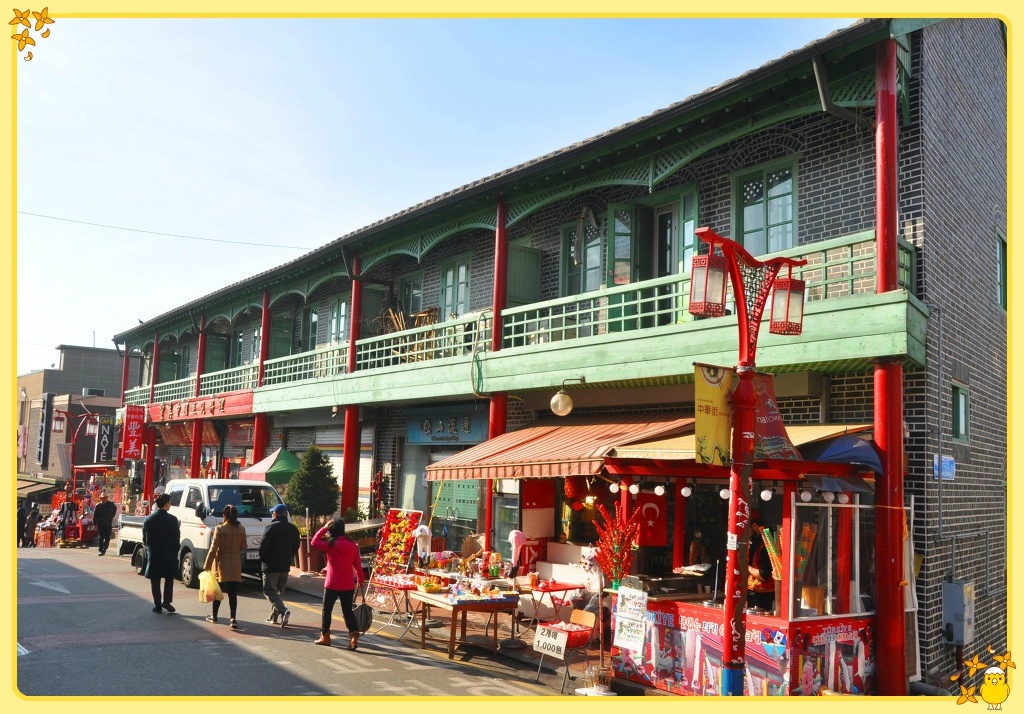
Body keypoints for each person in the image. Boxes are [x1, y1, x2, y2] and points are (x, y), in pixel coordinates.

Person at [311, 518, 366, 650]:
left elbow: (314, 542)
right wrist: (360, 579)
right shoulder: (352, 544)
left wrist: (324, 527)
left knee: (327, 610)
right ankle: (353, 635)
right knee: (347, 611)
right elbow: (357, 564)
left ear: (332, 530)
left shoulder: (331, 545)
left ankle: (325, 636)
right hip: (347, 584)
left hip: (332, 583)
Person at [203, 504, 246, 630]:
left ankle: (214, 616)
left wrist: (207, 565)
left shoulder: (219, 529)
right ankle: (233, 619)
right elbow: (243, 547)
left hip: (221, 563)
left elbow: (213, 548)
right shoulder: (241, 529)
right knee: (233, 593)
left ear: (224, 515)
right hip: (235, 562)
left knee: (218, 591)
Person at [259, 503, 300, 626]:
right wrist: (288, 557)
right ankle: (274, 617)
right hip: (285, 565)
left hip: (271, 565)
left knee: (268, 590)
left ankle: (283, 611)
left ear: (276, 514)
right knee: (279, 593)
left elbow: (263, 546)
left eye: (273, 512)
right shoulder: (293, 529)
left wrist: (263, 559)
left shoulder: (270, 527)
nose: (272, 514)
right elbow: (296, 547)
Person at [143, 493, 180, 614]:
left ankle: (157, 606)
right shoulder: (173, 520)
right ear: (166, 504)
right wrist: (175, 550)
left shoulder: (148, 519)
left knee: (155, 580)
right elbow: (176, 539)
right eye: (169, 502)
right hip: (169, 555)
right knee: (169, 579)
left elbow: (145, 539)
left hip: (154, 554)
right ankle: (167, 601)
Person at [747, 511, 777, 612]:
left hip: (761, 593)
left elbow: (763, 575)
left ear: (754, 526)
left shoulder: (763, 545)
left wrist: (745, 567)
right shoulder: (762, 541)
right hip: (763, 592)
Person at [92, 492, 117, 556]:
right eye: (102, 498)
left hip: (108, 523)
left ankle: (105, 548)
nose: (104, 499)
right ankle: (101, 549)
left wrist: (112, 516)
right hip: (100, 523)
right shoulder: (98, 506)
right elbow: (95, 515)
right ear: (101, 498)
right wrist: (94, 524)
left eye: (105, 498)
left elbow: (115, 509)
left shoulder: (111, 504)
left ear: (107, 498)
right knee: (101, 537)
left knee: (107, 537)